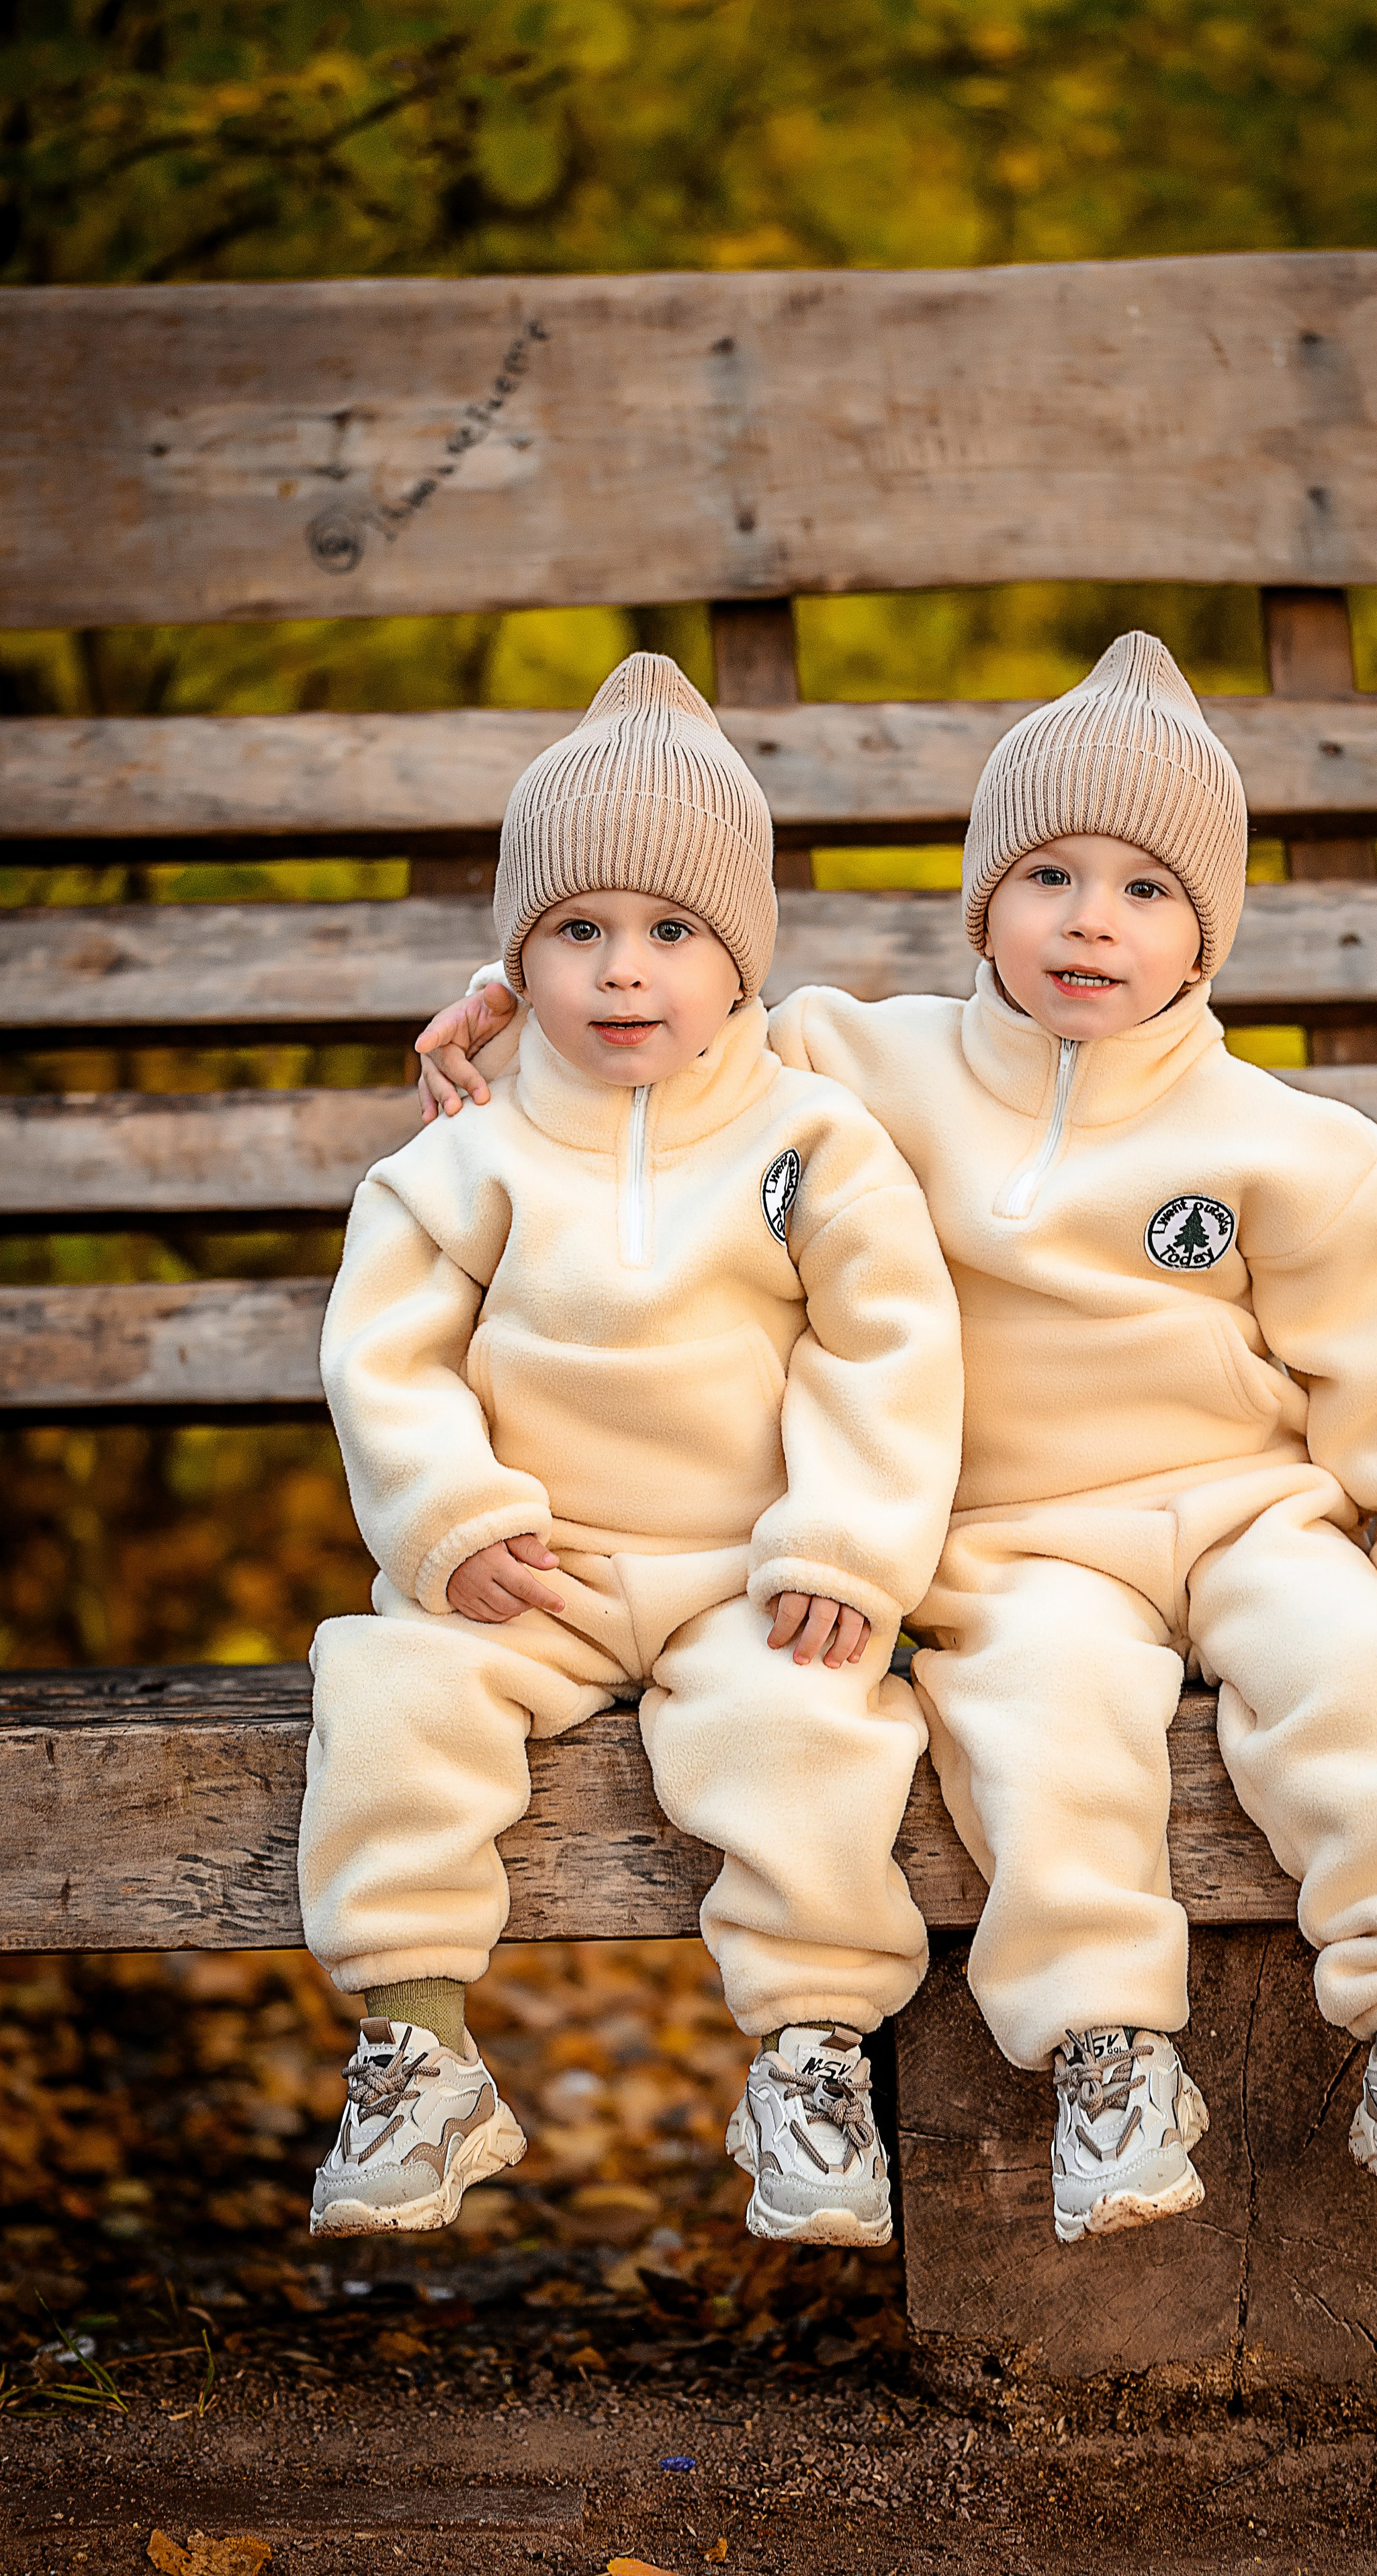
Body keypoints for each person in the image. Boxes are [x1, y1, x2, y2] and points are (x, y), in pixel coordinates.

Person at [415, 633, 1377, 2245]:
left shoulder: (1286, 1143)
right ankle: (1108, 2054)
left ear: (1205, 934)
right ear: (982, 905)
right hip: (1014, 1545)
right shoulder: (857, 1061)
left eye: (1145, 890)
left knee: (1364, 1680)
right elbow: (665, 1010)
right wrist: (500, 1010)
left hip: (1252, 1512)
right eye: (1045, 877)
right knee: (1041, 1731)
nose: (1090, 919)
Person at [304, 651, 963, 2245]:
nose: (621, 973)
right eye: (576, 933)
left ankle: (813, 2059)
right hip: (540, 1569)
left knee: (807, 1730)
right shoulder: (465, 1161)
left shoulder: (813, 1138)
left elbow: (885, 1346)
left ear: (740, 965)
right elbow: (385, 1357)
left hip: (753, 1576)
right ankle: (417, 2050)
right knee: (389, 1691)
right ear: (517, 961)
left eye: (672, 933)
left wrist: (845, 1547)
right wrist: (451, 1521)